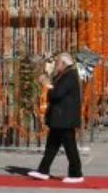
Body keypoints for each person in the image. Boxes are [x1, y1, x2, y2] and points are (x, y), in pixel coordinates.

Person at [29, 52, 84, 184]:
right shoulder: (64, 74)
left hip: (65, 118)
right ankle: (43, 171)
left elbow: (57, 94)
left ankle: (76, 174)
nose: (55, 65)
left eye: (57, 62)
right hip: (60, 118)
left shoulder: (70, 75)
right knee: (52, 146)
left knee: (70, 147)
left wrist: (47, 85)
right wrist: (47, 81)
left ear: (64, 63)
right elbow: (56, 88)